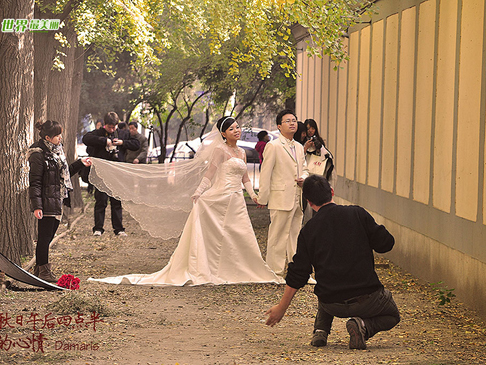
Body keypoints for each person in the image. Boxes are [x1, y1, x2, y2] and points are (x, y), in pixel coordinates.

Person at [87, 116, 283, 286]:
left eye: (238, 127)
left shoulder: (241, 153)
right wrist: (198, 192)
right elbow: (210, 174)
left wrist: (254, 195)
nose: (237, 131)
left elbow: (245, 178)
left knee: (240, 232)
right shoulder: (220, 151)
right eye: (231, 129)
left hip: (237, 199)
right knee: (217, 233)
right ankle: (211, 267)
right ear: (223, 134)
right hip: (220, 196)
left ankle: (241, 267)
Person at [265, 175, 400, 350]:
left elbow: (298, 273)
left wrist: (282, 307)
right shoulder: (357, 214)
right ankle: (363, 326)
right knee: (393, 315)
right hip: (367, 300)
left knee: (326, 285)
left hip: (332, 303)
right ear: (332, 192)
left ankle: (320, 331)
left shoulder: (309, 230)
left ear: (309, 202)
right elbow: (386, 244)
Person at [28, 120, 92, 281]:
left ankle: (39, 269)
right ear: (48, 138)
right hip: (46, 201)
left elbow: (63, 175)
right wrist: (37, 206)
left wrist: (80, 164)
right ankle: (44, 271)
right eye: (56, 135)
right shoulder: (38, 154)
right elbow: (35, 182)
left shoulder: (57, 152)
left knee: (47, 237)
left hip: (57, 199)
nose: (60, 137)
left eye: (60, 134)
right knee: (44, 237)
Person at [256, 109, 308, 277]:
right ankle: (275, 272)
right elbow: (266, 173)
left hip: (297, 197)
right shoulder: (273, 146)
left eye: (294, 120)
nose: (292, 123)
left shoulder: (299, 147)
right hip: (280, 197)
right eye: (288, 121)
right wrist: (262, 197)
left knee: (296, 236)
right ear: (279, 126)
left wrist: (304, 178)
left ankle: (298, 273)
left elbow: (305, 169)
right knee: (278, 236)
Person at [82, 112, 139, 237]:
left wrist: (122, 143)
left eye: (114, 127)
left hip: (117, 174)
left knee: (116, 201)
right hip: (101, 173)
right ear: (104, 125)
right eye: (109, 127)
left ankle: (119, 229)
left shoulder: (123, 134)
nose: (112, 129)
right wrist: (104, 141)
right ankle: (98, 228)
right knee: (100, 201)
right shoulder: (98, 133)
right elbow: (85, 139)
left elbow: (136, 144)